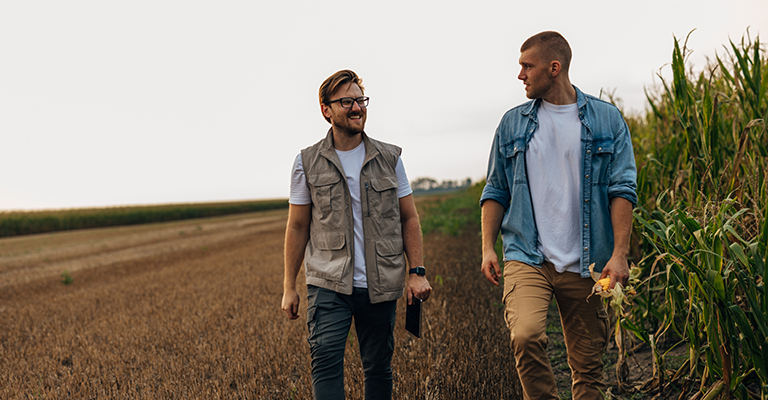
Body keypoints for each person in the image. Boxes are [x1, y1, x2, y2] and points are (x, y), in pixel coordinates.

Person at [479, 31, 637, 399]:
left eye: (526, 66)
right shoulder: (512, 124)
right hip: (528, 254)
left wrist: (619, 253)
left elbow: (622, 190)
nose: (520, 75)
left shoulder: (606, 120)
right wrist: (488, 246)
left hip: (590, 261)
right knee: (526, 334)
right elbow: (496, 189)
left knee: (588, 367)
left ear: (554, 68)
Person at [281, 69, 432, 400]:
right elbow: (297, 226)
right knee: (325, 361)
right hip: (327, 281)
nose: (356, 108)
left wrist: (416, 272)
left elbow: (409, 217)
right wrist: (289, 286)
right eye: (346, 101)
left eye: (360, 100)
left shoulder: (390, 158)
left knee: (378, 367)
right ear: (326, 110)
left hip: (379, 283)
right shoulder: (305, 162)